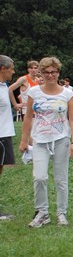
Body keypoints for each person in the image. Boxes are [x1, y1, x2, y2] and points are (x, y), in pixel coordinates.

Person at [20, 57, 73, 227]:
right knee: (39, 177)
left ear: (58, 73)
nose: (50, 75)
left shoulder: (67, 94)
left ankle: (61, 213)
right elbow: (28, 118)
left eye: (53, 72)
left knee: (61, 179)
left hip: (61, 139)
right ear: (41, 73)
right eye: (46, 72)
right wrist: (24, 140)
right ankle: (42, 212)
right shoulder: (34, 92)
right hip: (40, 139)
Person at [0, 55, 16, 221]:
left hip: (5, 134)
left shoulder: (4, 85)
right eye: (11, 68)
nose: (13, 71)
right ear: (3, 69)